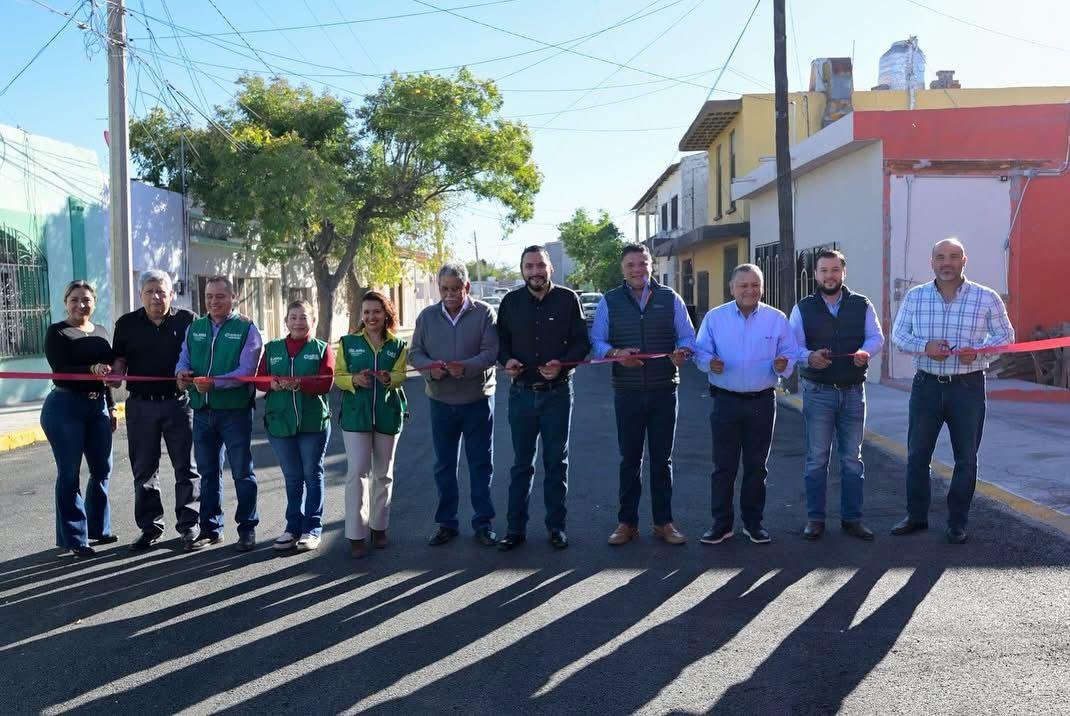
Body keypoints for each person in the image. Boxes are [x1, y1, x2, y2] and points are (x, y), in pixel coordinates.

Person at [890, 238, 1013, 544]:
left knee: (966, 458)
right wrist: (925, 346)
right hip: (926, 386)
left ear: (964, 260)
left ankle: (957, 523)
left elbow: (1005, 337)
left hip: (967, 388)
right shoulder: (916, 296)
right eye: (941, 257)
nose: (947, 262)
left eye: (954, 256)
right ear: (931, 262)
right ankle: (916, 517)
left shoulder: (986, 297)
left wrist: (980, 351)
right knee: (917, 455)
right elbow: (899, 334)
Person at [590, 244, 695, 546]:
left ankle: (664, 523)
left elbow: (688, 336)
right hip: (627, 392)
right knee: (629, 460)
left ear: (651, 265)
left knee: (662, 460)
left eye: (642, 263)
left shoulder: (670, 298)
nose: (637, 269)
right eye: (631, 265)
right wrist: (616, 354)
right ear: (622, 269)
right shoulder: (609, 301)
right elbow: (597, 341)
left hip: (664, 390)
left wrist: (684, 352)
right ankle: (627, 523)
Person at [496, 245, 590, 551]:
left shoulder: (568, 299)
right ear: (522, 270)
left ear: (551, 268)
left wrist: (563, 364)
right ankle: (515, 530)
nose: (535, 271)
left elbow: (581, 343)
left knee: (555, 463)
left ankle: (556, 528)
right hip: (521, 394)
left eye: (540, 265)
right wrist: (507, 360)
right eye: (529, 266)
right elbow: (500, 342)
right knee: (521, 464)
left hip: (557, 394)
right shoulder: (510, 302)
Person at [694, 263, 796, 546]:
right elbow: (700, 352)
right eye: (743, 285)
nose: (750, 290)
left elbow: (790, 351)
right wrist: (709, 363)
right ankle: (721, 524)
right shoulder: (715, 318)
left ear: (762, 288)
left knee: (756, 466)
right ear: (732, 288)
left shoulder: (777, 319)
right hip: (725, 401)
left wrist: (783, 364)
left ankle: (754, 524)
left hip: (761, 402)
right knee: (723, 466)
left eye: (755, 285)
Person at [788, 249, 884, 542]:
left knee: (852, 459)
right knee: (817, 459)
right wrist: (809, 357)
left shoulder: (861, 304)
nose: (829, 276)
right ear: (815, 274)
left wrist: (866, 352)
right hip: (818, 393)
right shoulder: (802, 308)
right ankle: (815, 519)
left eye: (834, 270)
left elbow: (876, 337)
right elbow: (792, 347)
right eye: (824, 270)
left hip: (853, 393)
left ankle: (852, 519)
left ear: (844, 272)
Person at [408, 262, 500, 547]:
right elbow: (415, 353)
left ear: (467, 287)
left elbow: (491, 352)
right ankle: (447, 524)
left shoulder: (484, 313)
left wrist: (467, 367)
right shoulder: (427, 316)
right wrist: (429, 369)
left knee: (480, 464)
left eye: (455, 288)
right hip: (441, 401)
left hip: (477, 401)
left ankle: (483, 524)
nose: (449, 294)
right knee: (444, 465)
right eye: (444, 288)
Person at [109, 270, 201, 552]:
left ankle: (189, 525)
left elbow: (200, 355)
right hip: (140, 405)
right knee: (144, 469)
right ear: (140, 295)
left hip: (178, 403)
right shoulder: (126, 324)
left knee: (186, 467)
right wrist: (115, 375)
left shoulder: (188, 320)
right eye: (149, 292)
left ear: (171, 294)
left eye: (161, 291)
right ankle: (150, 527)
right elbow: (120, 360)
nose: (156, 297)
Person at [175, 275, 263, 551]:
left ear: (233, 297)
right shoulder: (195, 327)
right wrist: (181, 372)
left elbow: (246, 371)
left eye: (220, 296)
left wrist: (216, 383)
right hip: (202, 411)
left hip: (234, 411)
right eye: (209, 296)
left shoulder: (247, 329)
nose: (213, 301)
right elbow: (184, 357)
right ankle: (211, 529)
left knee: (242, 473)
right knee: (208, 473)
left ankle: (247, 528)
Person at [40, 280, 118, 558]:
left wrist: (112, 406)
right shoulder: (58, 332)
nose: (80, 305)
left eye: (86, 300)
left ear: (94, 303)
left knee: (102, 469)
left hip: (97, 407)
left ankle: (98, 528)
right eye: (74, 300)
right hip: (65, 407)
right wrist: (91, 368)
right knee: (70, 472)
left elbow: (107, 375)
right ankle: (74, 537)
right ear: (66, 303)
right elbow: (60, 369)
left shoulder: (102, 332)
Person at [335, 291, 409, 559]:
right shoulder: (348, 342)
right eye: (366, 312)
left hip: (388, 414)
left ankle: (379, 528)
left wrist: (390, 378)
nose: (371, 317)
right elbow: (338, 376)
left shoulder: (397, 345)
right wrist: (354, 380)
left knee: (383, 474)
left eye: (376, 311)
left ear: (386, 313)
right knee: (357, 472)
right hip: (356, 416)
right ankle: (356, 534)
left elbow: (401, 375)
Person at [257, 300, 333, 552]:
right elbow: (259, 379)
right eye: (293, 317)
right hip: (280, 423)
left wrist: (301, 383)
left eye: (303, 317)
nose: (298, 322)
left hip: (313, 424)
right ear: (286, 321)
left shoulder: (322, 349)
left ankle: (312, 529)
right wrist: (272, 384)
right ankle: (292, 528)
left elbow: (326, 383)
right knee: (292, 478)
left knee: (312, 474)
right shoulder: (272, 348)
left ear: (313, 321)